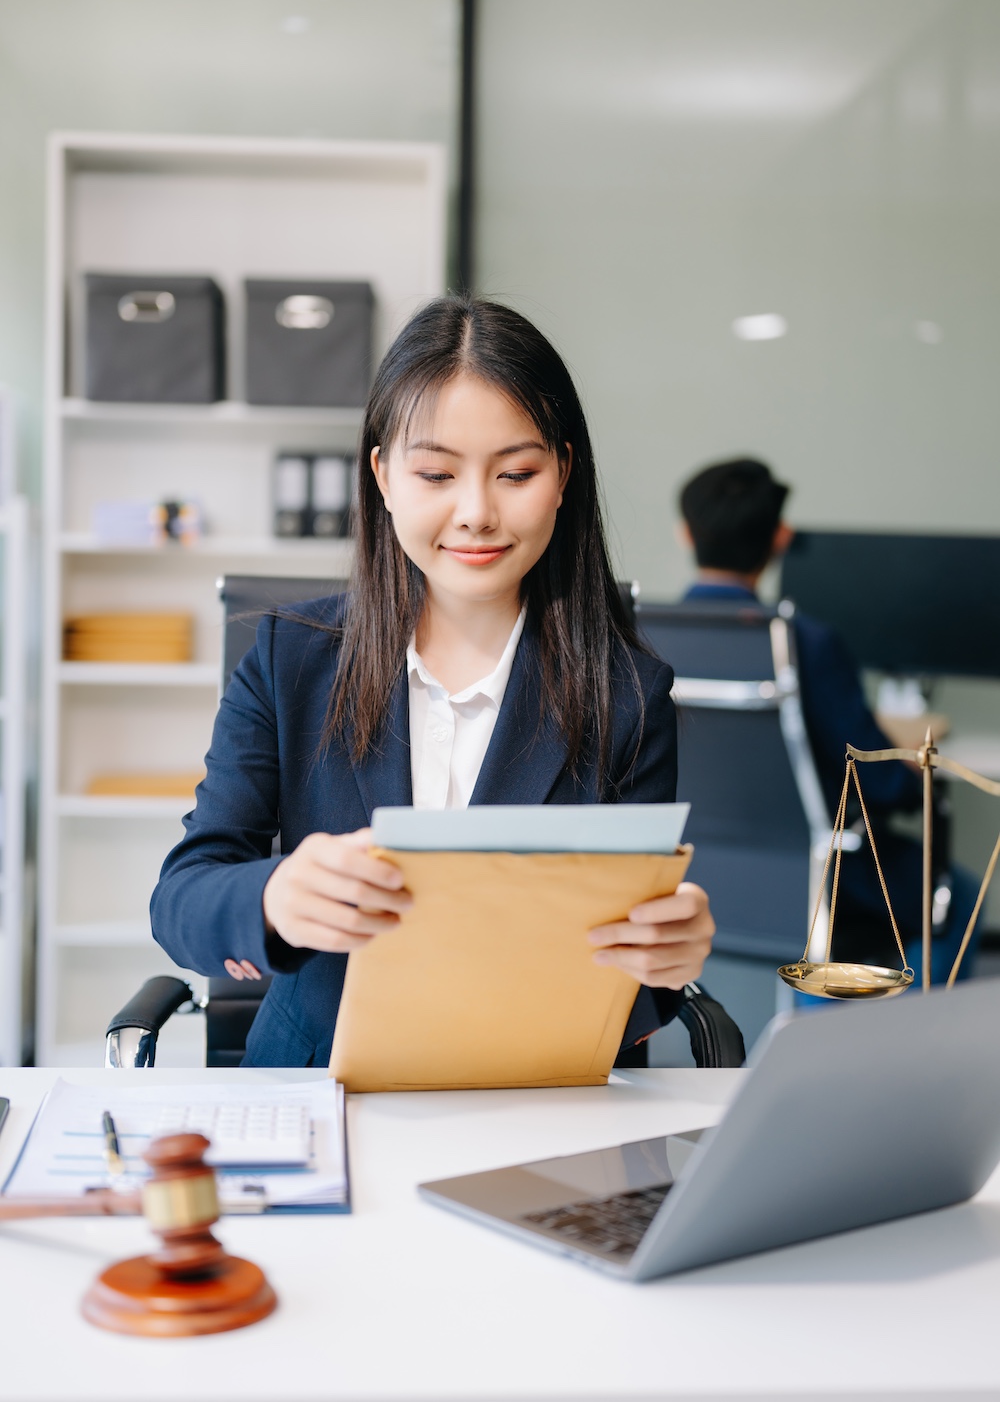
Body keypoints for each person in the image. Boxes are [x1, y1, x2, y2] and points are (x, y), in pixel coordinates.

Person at [151, 298, 715, 1067]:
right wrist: (273, 897)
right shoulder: (290, 659)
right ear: (383, 477)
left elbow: (635, 983)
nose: (476, 512)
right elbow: (182, 899)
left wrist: (668, 964)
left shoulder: (628, 695)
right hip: (318, 1091)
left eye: (516, 472)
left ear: (563, 475)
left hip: (532, 1093)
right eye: (437, 473)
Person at [677, 457, 979, 983]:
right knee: (963, 891)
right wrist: (911, 777)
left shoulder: (644, 632)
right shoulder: (804, 643)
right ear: (780, 538)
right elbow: (881, 784)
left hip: (690, 871)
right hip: (820, 880)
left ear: (686, 534)